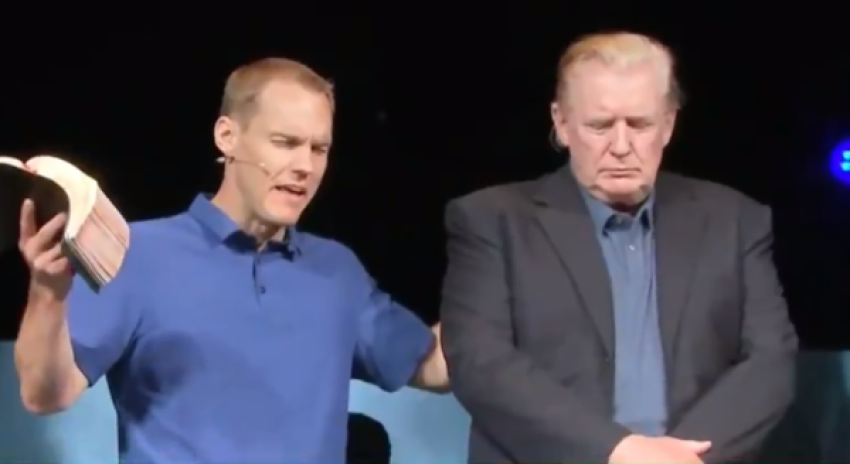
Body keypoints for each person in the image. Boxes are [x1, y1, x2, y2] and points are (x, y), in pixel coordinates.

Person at [14, 57, 448, 464]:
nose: (305, 166)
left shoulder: (337, 272)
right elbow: (44, 395)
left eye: (319, 149)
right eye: (285, 143)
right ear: (227, 136)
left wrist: (509, 280)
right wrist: (48, 294)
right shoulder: (138, 252)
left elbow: (433, 366)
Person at [440, 32, 797, 464]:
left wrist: (683, 459)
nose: (622, 146)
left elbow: (770, 361)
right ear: (561, 122)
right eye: (600, 126)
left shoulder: (735, 220)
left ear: (668, 124)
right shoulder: (491, 221)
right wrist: (618, 451)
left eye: (640, 124)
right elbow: (482, 364)